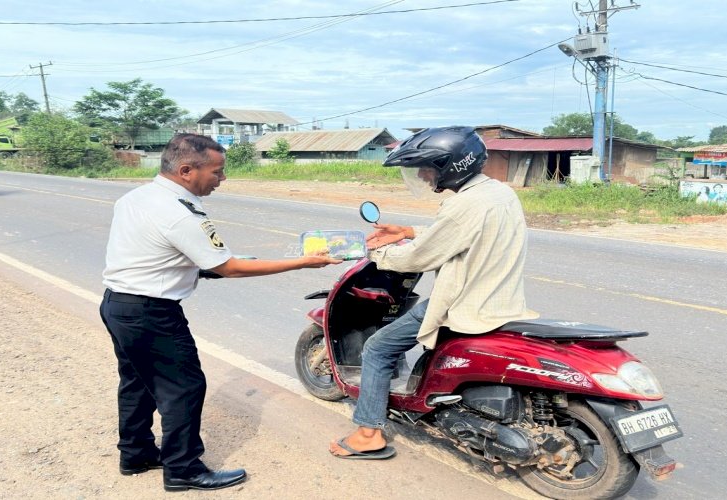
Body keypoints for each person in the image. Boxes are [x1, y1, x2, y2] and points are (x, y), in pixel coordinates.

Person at [100, 133, 341, 492]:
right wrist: (303, 262)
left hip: (119, 304)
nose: (222, 179)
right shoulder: (179, 212)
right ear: (186, 170)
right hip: (151, 312)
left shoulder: (137, 197)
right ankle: (183, 470)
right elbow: (229, 268)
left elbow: (159, 254)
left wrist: (216, 264)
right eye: (216, 172)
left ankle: (136, 454)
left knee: (138, 381)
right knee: (183, 388)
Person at [328, 126, 538, 459]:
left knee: (377, 348)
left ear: (450, 166)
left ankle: (368, 434)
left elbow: (417, 258)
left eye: (427, 168)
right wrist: (407, 230)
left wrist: (372, 252)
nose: (424, 176)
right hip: (501, 301)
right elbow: (459, 234)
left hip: (463, 304)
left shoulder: (463, 205)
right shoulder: (499, 193)